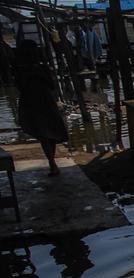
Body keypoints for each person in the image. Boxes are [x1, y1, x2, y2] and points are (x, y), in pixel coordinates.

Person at [13, 40, 67, 177]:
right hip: (43, 103)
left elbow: (20, 87)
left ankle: (52, 162)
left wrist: (35, 74)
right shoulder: (34, 68)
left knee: (45, 135)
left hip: (35, 104)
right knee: (48, 135)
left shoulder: (27, 69)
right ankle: (52, 162)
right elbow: (51, 85)